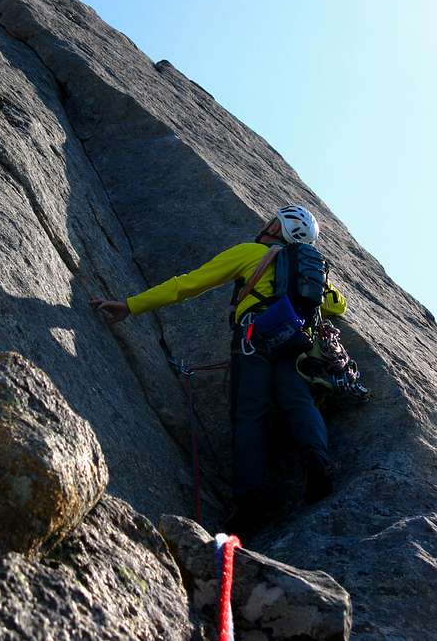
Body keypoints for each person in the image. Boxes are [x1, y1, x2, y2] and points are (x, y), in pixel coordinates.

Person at [90, 205, 346, 533]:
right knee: (298, 400)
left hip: (254, 338)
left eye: (272, 223)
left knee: (249, 415)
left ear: (279, 229)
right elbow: (338, 304)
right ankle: (319, 462)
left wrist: (131, 305)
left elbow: (189, 284)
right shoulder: (309, 270)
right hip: (294, 341)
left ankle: (250, 502)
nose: (265, 226)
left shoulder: (250, 252)